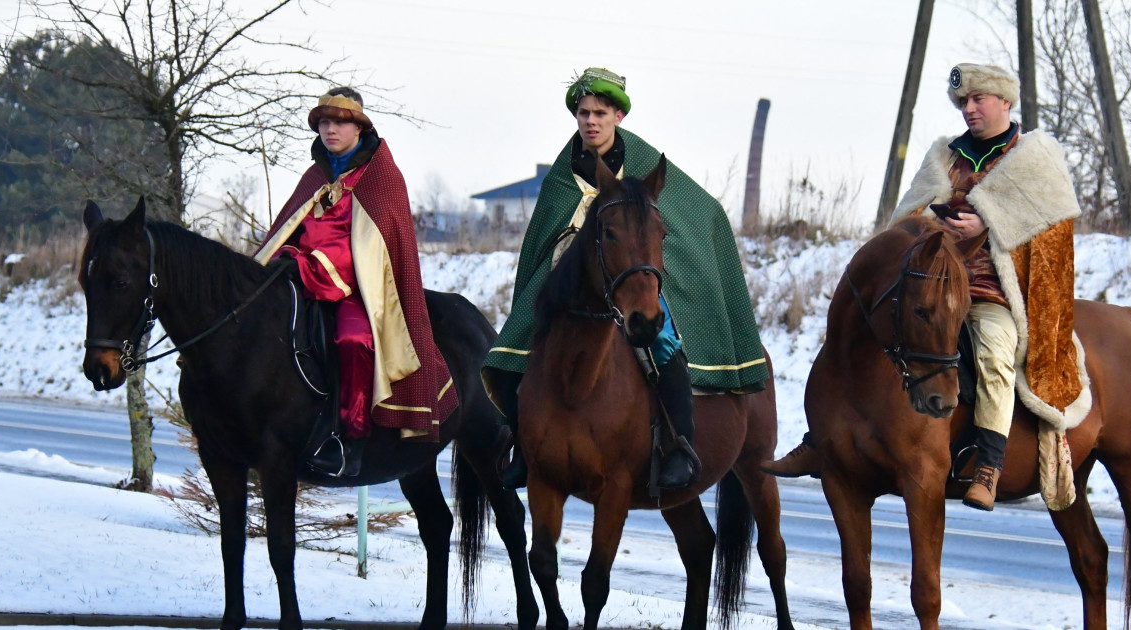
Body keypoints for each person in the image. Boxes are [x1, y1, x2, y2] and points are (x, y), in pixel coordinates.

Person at [764, 64, 1086, 512]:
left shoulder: (1033, 162)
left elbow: (1051, 240)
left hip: (991, 294)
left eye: (979, 100)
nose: (969, 109)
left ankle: (989, 463)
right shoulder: (945, 158)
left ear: (1005, 103)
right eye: (963, 103)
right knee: (867, 333)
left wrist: (991, 224)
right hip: (932, 289)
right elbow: (907, 223)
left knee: (994, 353)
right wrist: (933, 224)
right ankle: (821, 439)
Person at [482, 67, 768, 490]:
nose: (591, 121)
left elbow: (698, 208)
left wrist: (647, 257)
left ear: (618, 116)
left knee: (664, 346)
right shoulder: (563, 174)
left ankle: (680, 448)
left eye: (600, 112)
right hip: (570, 280)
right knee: (507, 354)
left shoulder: (643, 163)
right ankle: (526, 447)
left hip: (629, 277)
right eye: (583, 113)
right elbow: (548, 229)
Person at [255, 87, 458, 477]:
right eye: (325, 122)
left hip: (357, 289)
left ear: (359, 128)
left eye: (340, 122)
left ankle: (350, 442)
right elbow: (289, 230)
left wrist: (313, 266)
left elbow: (374, 251)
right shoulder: (316, 174)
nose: (331, 130)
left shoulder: (381, 177)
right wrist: (284, 260)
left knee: (353, 340)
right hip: (300, 276)